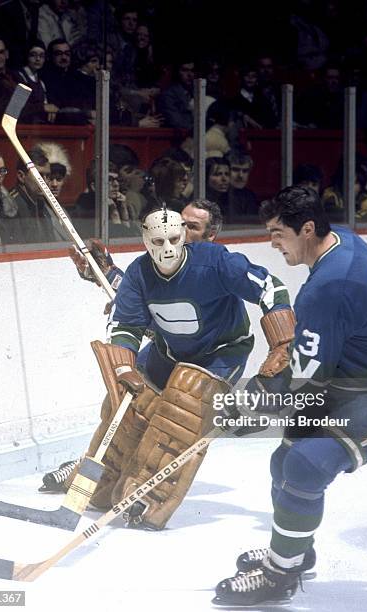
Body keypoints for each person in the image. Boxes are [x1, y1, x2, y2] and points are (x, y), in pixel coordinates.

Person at [213, 186, 367, 606]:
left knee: (304, 465)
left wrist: (249, 410)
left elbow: (308, 384)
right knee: (284, 458)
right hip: (362, 379)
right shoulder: (344, 242)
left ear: (308, 228)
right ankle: (294, 552)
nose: (273, 243)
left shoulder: (327, 288)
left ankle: (279, 576)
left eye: (279, 233)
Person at [57, 204, 293, 532]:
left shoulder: (216, 262)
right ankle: (97, 481)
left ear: (199, 236)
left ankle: (151, 497)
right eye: (158, 240)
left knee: (184, 407)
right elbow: (131, 314)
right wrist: (123, 366)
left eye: (180, 234)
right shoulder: (142, 272)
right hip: (168, 351)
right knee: (127, 406)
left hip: (218, 354)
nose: (167, 247)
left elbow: (270, 288)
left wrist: (282, 345)